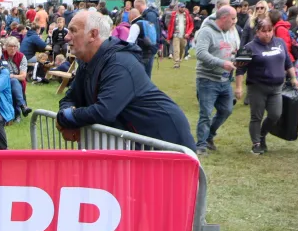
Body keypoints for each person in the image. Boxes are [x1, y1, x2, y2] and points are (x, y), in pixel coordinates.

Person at [57, 10, 195, 149]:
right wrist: (67, 117)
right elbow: (69, 98)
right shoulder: (86, 62)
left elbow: (104, 112)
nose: (67, 37)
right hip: (138, 142)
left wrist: (66, 118)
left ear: (93, 34)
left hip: (166, 139)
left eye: (73, 31)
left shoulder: (119, 63)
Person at [235, 18, 298, 155]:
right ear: (257, 32)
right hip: (257, 86)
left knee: (276, 114)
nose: (268, 34)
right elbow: (240, 69)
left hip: (276, 87)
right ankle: (256, 143)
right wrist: (238, 87)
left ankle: (262, 135)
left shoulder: (280, 43)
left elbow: (287, 62)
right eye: (264, 32)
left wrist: (293, 78)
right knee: (256, 116)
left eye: (270, 31)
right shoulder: (249, 47)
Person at [192, 5, 240, 153]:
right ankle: (200, 146)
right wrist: (222, 63)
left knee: (226, 110)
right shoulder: (206, 31)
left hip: (224, 80)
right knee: (205, 113)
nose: (234, 22)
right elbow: (200, 53)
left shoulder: (230, 32)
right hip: (207, 79)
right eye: (232, 19)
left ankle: (209, 136)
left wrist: (234, 58)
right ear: (224, 17)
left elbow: (227, 50)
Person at [167, 3, 193, 68]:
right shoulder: (173, 15)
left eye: (184, 7)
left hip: (184, 35)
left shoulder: (187, 15)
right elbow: (170, 26)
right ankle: (176, 63)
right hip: (176, 35)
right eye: (181, 7)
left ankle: (179, 59)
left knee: (182, 49)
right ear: (178, 8)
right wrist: (168, 37)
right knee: (176, 49)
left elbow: (191, 25)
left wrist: (188, 33)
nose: (183, 8)